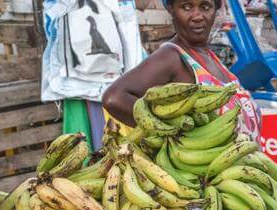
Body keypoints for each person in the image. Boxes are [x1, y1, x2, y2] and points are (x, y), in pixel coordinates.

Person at [102, 0, 260, 139]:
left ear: (216, 9)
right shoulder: (172, 56)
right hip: (205, 171)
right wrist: (172, 134)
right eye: (186, 7)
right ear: (171, 9)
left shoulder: (209, 56)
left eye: (205, 7)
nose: (197, 16)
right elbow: (114, 98)